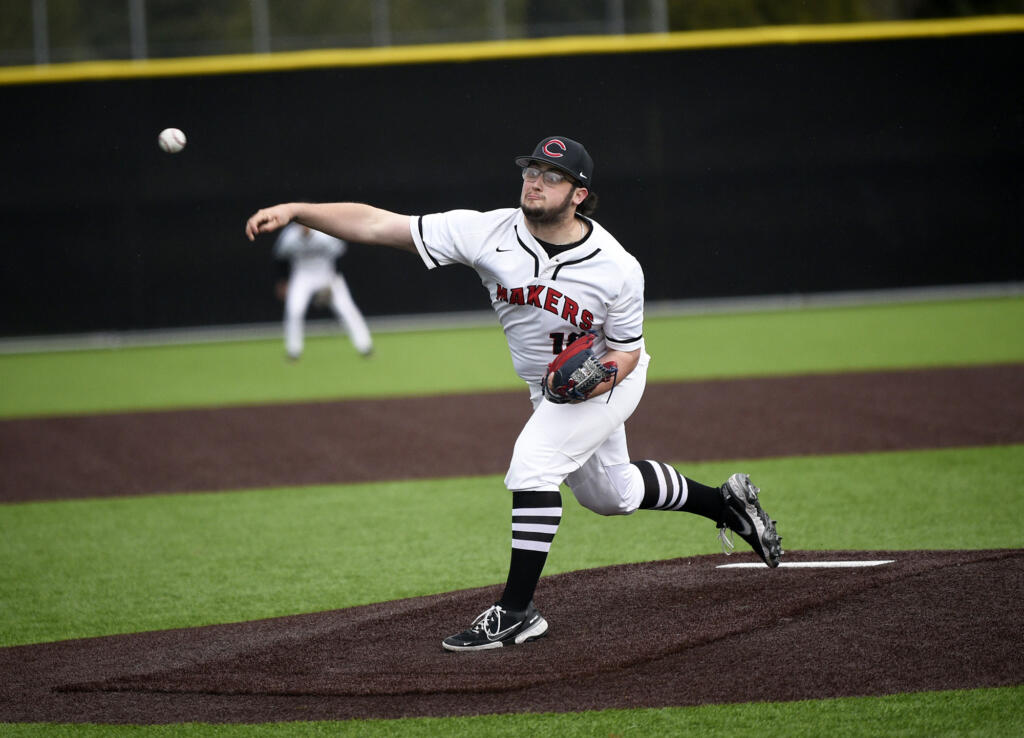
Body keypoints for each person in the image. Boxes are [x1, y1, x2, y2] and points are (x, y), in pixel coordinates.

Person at [246, 135, 783, 652]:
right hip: (549, 386)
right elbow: (377, 223)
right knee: (610, 496)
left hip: (607, 377)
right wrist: (297, 208)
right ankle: (728, 504)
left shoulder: (617, 268)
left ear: (579, 195)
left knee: (532, 465)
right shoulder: (486, 232)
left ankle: (518, 611)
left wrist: (592, 381)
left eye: (553, 177)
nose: (535, 183)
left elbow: (626, 352)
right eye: (531, 171)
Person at [273, 222, 373, 360]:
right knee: (294, 310)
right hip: (302, 276)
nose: (304, 226)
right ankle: (293, 351)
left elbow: (340, 255)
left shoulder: (323, 233)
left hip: (326, 273)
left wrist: (333, 280)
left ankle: (365, 346)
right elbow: (280, 258)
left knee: (347, 309)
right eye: (300, 223)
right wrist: (283, 281)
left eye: (306, 222)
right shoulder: (290, 235)